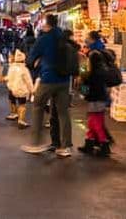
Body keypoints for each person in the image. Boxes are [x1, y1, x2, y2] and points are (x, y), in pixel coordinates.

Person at [22, 14, 74, 158]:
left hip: (48, 78)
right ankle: (65, 146)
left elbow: (31, 58)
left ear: (45, 24)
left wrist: (34, 63)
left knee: (38, 106)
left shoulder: (44, 39)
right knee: (63, 112)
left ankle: (36, 143)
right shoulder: (63, 36)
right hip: (64, 80)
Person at [78, 40, 113, 157]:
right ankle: (90, 143)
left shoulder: (91, 72)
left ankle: (103, 144)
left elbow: (84, 82)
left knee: (95, 122)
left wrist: (83, 94)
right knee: (94, 122)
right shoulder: (101, 71)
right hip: (100, 99)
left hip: (95, 99)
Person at [6, 49, 34, 129]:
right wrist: (32, 90)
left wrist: (9, 85)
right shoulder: (24, 69)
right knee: (22, 105)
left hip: (12, 88)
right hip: (21, 90)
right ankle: (21, 121)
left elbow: (8, 78)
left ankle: (13, 113)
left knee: (12, 101)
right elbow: (28, 81)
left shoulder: (11, 67)